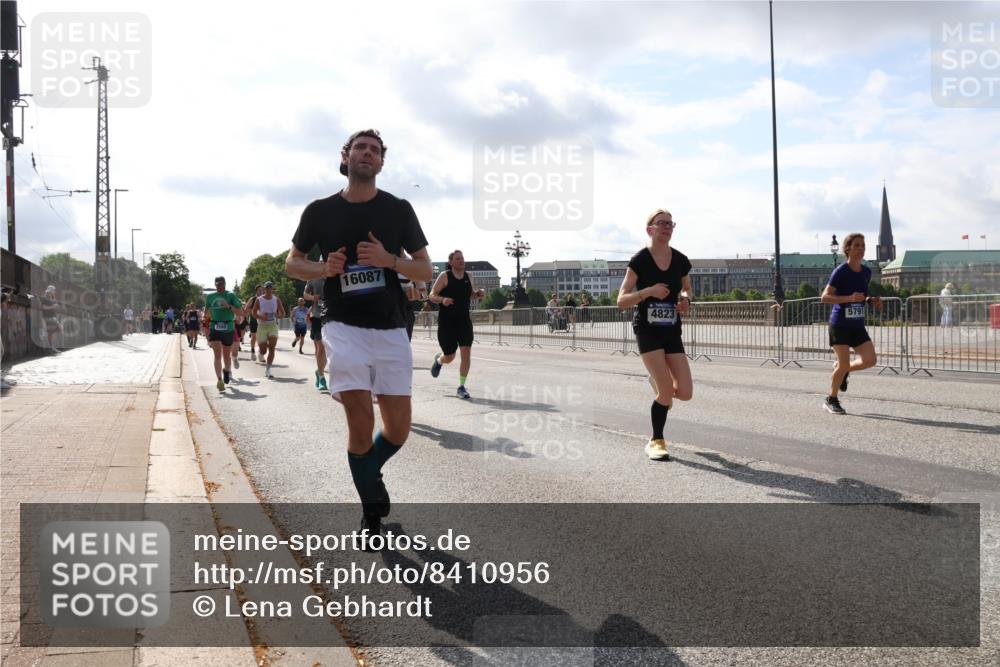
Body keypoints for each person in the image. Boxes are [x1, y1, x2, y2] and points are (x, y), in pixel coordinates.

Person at [285, 128, 432, 538]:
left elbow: (425, 269)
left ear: (382, 162)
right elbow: (292, 264)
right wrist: (323, 269)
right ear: (346, 157)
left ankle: (369, 472)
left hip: (390, 327)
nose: (367, 154)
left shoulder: (399, 210)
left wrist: (390, 260)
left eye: (375, 150)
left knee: (399, 428)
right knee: (359, 419)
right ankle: (371, 510)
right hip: (342, 325)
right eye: (360, 148)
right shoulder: (319, 211)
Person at [617, 209, 694, 461]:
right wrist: (648, 291)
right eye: (662, 223)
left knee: (684, 392)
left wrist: (685, 302)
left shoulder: (681, 260)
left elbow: (687, 291)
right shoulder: (640, 260)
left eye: (671, 223)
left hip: (671, 329)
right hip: (647, 330)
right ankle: (656, 440)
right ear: (650, 229)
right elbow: (621, 301)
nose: (667, 227)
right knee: (665, 392)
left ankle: (660, 387)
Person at [820, 233, 882, 414]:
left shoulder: (866, 272)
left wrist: (871, 300)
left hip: (857, 324)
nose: (861, 249)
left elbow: (861, 297)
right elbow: (824, 297)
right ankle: (831, 399)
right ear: (847, 249)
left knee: (870, 360)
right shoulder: (840, 271)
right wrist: (849, 298)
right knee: (843, 363)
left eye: (863, 245)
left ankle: (844, 370)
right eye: (857, 245)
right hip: (839, 324)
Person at [429, 250, 485, 400]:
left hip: (464, 321)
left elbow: (470, 294)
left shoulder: (469, 276)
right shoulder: (445, 276)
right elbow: (432, 295)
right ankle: (439, 360)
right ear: (451, 262)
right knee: (450, 356)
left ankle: (461, 386)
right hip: (447, 322)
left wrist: (478, 293)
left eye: (462, 258)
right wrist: (442, 300)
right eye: (458, 259)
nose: (461, 261)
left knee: (466, 352)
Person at [205, 276, 244, 392]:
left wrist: (228, 306)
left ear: (225, 284)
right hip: (215, 326)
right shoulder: (210, 297)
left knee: (227, 356)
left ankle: (227, 370)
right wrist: (205, 316)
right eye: (217, 284)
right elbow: (206, 312)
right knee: (217, 355)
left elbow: (240, 312)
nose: (219, 286)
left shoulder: (231, 295)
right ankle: (219, 380)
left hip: (228, 328)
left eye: (221, 284)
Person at [251, 281, 285, 378]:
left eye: (270, 287)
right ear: (264, 289)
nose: (269, 289)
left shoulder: (276, 300)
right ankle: (261, 353)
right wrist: (261, 317)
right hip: (262, 326)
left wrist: (277, 315)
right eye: (267, 287)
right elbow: (253, 313)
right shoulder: (259, 300)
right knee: (264, 350)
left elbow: (283, 313)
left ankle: (268, 369)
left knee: (272, 348)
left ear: (272, 288)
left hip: (272, 326)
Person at [304, 277, 328, 392]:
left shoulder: (336, 274)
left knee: (328, 349)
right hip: (317, 315)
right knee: (321, 346)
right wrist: (313, 297)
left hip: (332, 314)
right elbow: (305, 294)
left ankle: (319, 370)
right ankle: (322, 378)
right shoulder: (313, 277)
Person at [40, 285, 61, 353]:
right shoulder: (44, 298)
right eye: (53, 291)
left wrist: (54, 303)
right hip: (47, 317)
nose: (54, 292)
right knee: (50, 332)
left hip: (52, 317)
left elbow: (55, 304)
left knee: (55, 331)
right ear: (50, 291)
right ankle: (50, 347)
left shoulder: (51, 298)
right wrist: (53, 306)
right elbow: (44, 307)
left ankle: (51, 347)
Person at [246, 284, 263, 362]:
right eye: (259, 290)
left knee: (262, 338)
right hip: (253, 320)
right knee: (254, 337)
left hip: (263, 321)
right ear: (256, 291)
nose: (261, 291)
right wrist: (254, 312)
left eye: (262, 290)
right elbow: (246, 308)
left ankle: (260, 354)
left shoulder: (264, 299)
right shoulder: (252, 299)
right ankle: (252, 351)